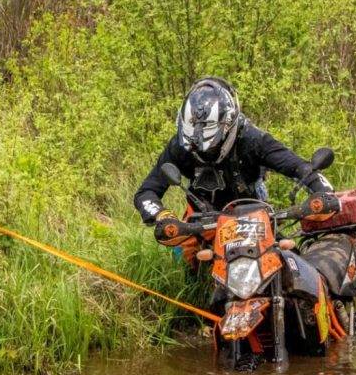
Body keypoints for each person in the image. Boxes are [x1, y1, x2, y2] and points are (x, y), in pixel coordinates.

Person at [134, 77, 333, 265]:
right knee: (182, 269)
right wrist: (162, 215)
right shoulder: (180, 146)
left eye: (210, 147)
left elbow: (297, 166)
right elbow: (146, 192)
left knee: (283, 261)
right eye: (194, 146)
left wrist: (322, 191)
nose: (203, 151)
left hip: (251, 212)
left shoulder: (252, 139)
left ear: (228, 127)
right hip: (201, 216)